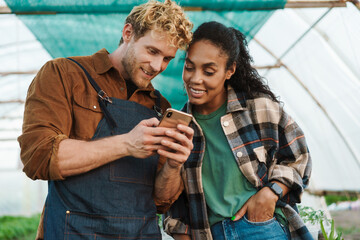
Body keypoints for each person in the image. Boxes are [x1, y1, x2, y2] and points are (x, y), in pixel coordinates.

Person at [17, 1, 194, 239]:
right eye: (152, 51)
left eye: (167, 59)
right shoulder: (64, 75)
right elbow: (37, 156)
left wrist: (174, 166)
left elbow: (160, 202)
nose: (157, 66)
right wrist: (127, 144)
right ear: (128, 33)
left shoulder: (160, 108)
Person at [156, 21, 313, 240]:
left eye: (208, 71)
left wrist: (271, 192)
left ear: (230, 70)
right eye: (189, 67)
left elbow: (299, 158)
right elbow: (174, 206)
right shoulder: (180, 126)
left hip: (261, 228)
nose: (195, 78)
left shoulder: (258, 108)